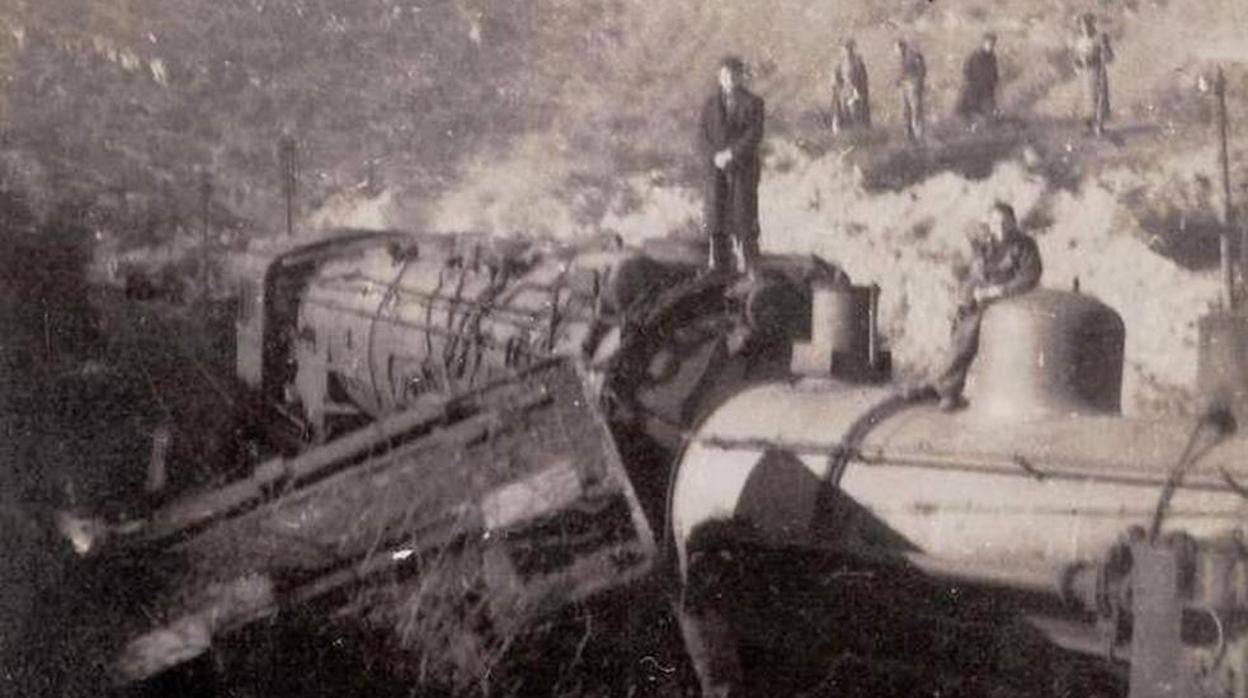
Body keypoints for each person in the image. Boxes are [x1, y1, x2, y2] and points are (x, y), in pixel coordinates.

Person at [931, 202, 1042, 411]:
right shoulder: (984, 242)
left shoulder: (1025, 245)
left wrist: (998, 291)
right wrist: (971, 295)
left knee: (976, 328)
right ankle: (947, 387)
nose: (1000, 227)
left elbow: (1029, 277)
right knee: (962, 327)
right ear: (989, 223)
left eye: (1005, 223)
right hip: (983, 294)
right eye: (995, 222)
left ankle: (949, 388)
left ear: (1013, 223)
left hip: (1013, 296)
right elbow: (977, 272)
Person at [700, 55, 765, 275]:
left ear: (740, 77)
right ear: (719, 77)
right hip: (715, 168)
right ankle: (718, 265)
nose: (728, 79)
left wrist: (732, 154)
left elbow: (754, 134)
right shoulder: (710, 105)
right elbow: (701, 136)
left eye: (733, 75)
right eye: (724, 75)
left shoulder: (754, 103)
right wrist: (715, 156)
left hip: (742, 167)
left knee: (743, 215)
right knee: (716, 216)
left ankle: (750, 264)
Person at [1073, 14, 1113, 136]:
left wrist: (1105, 47)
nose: (1085, 28)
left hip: (1096, 72)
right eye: (1083, 25)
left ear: (1092, 25)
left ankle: (1099, 125)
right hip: (1085, 75)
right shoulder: (1079, 42)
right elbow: (1075, 58)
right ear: (1080, 27)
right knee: (1086, 99)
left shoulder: (1099, 39)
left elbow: (1109, 57)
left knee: (1098, 97)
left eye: (1088, 25)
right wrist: (1078, 65)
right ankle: (1088, 126)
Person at [956, 33, 1000, 128]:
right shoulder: (973, 56)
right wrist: (970, 86)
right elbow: (966, 73)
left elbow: (994, 75)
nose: (990, 46)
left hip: (986, 92)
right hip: (972, 91)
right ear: (983, 43)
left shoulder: (992, 58)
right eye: (988, 44)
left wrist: (992, 86)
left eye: (992, 44)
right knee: (969, 113)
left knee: (990, 117)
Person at [831, 39, 870, 133]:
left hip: (855, 91)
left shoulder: (857, 62)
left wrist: (859, 91)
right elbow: (836, 77)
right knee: (844, 113)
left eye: (848, 48)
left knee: (856, 113)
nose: (846, 51)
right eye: (845, 49)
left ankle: (859, 135)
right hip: (844, 92)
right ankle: (848, 136)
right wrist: (838, 87)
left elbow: (863, 79)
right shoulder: (840, 62)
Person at [896, 39, 927, 142]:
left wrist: (917, 84)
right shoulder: (902, 58)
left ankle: (919, 136)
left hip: (913, 86)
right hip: (905, 87)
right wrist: (899, 81)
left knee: (915, 111)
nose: (896, 51)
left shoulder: (913, 56)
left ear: (902, 47)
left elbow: (921, 71)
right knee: (906, 111)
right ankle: (909, 136)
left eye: (897, 48)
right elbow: (902, 73)